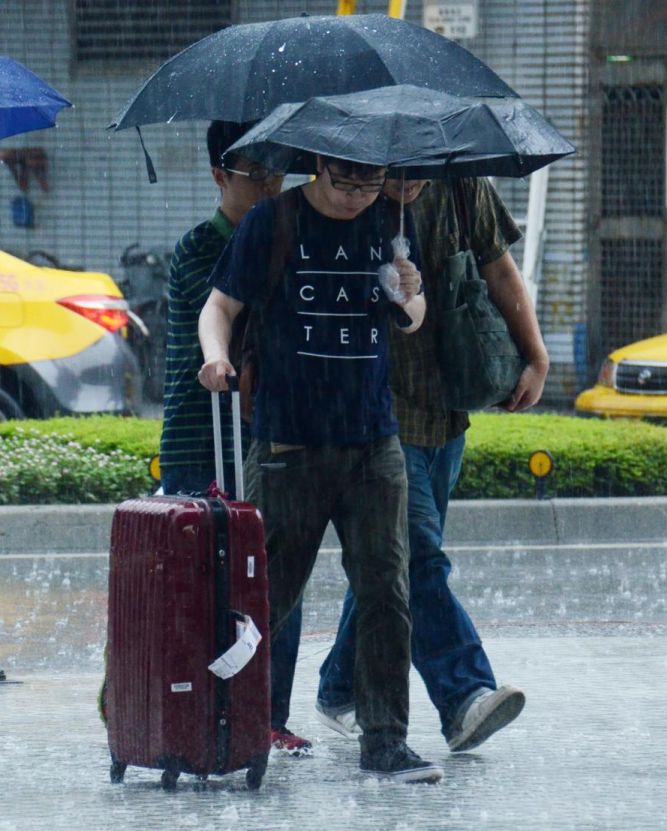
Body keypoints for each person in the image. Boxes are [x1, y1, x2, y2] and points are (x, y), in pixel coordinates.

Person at [197, 154, 441, 781]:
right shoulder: (272, 221)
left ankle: (385, 738)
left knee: (387, 588)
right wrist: (215, 358)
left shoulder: (389, 220)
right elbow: (219, 306)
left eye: (370, 181)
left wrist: (408, 295)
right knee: (264, 597)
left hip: (372, 441)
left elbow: (411, 320)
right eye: (347, 182)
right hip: (289, 444)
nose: (359, 195)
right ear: (320, 168)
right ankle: (221, 722)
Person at [314, 175, 548, 755]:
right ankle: (465, 695)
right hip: (375, 417)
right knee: (419, 557)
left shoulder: (463, 183)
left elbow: (498, 270)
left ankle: (341, 683)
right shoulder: (344, 195)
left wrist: (536, 357)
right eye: (397, 170)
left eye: (419, 169)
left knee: (392, 563)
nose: (409, 182)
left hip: (448, 408)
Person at [156, 121, 315, 756]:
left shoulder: (289, 236)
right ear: (220, 176)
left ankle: (266, 716)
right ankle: (192, 709)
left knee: (277, 576)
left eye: (280, 173)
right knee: (204, 583)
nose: (273, 187)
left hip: (271, 434)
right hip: (202, 435)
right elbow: (230, 312)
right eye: (258, 175)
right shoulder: (199, 248)